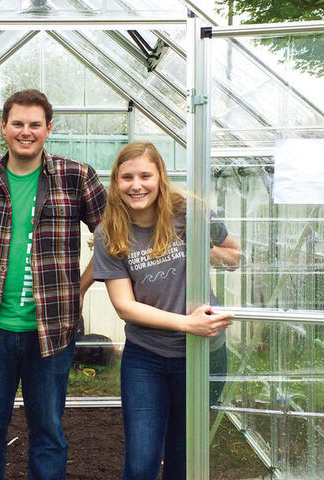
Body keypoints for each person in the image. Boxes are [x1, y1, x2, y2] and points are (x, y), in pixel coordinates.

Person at [0, 89, 107, 480]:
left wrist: (78, 289)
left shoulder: (76, 176)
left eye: (34, 125)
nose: (25, 132)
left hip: (53, 331)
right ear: (3, 127)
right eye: (17, 124)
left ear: (48, 129)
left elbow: (113, 237)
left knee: (48, 431)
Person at [92, 142, 242, 480]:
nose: (137, 185)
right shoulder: (110, 231)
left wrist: (205, 247)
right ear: (116, 182)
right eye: (127, 177)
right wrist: (188, 324)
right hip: (146, 358)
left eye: (146, 175)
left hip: (204, 354)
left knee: (185, 457)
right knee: (142, 461)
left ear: (160, 177)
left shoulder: (192, 214)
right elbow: (125, 306)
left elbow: (236, 257)